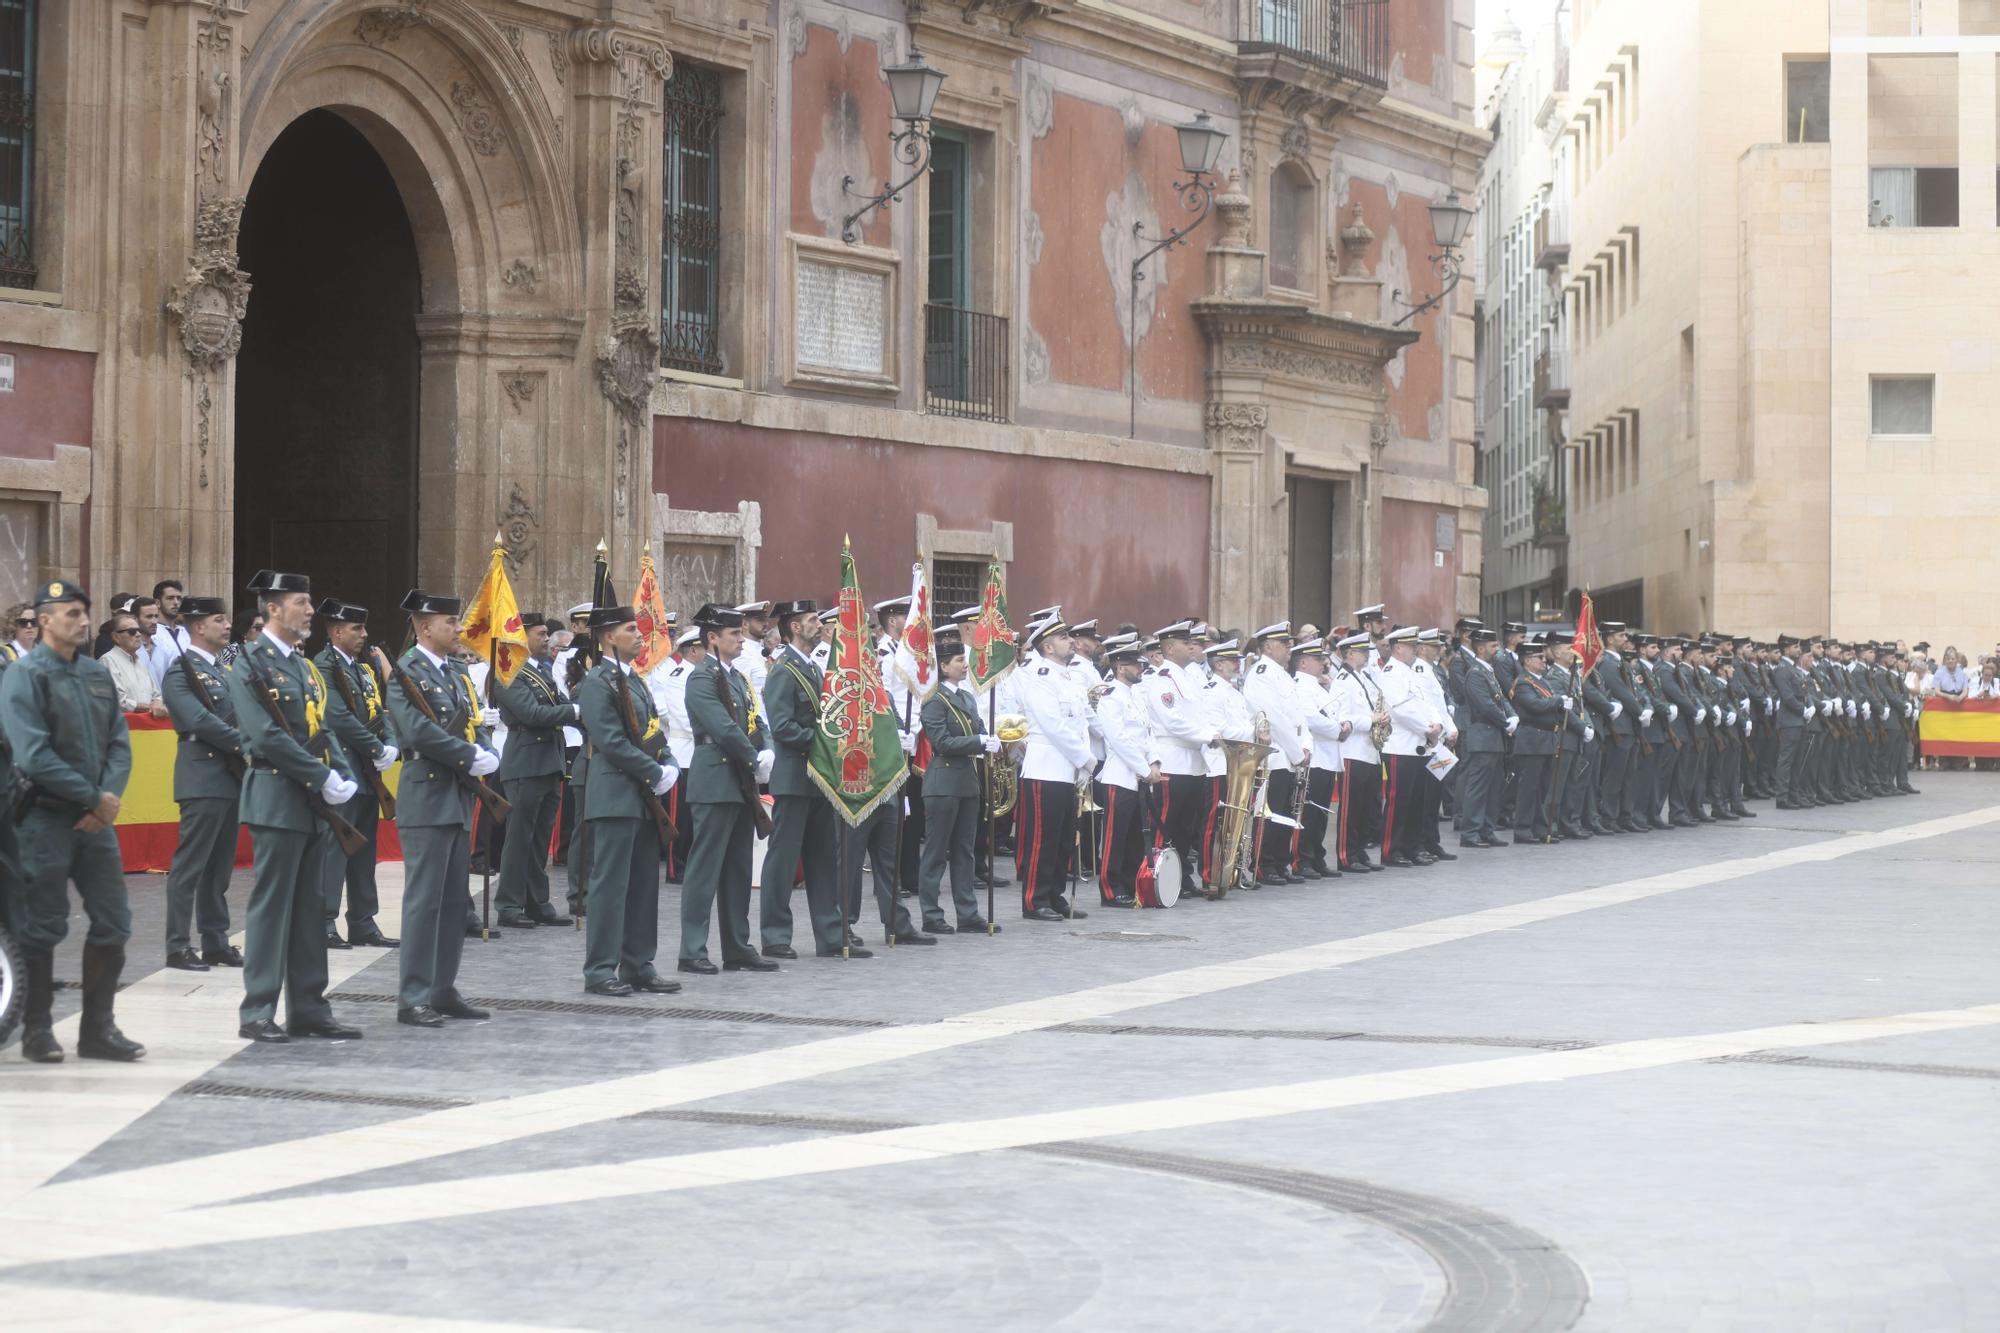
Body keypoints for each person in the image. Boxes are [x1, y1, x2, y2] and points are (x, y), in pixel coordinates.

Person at [0, 579, 144, 1063]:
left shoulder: (94, 674)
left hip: (94, 824)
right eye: (70, 614)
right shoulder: (25, 676)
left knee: (115, 921)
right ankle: (38, 1028)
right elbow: (33, 754)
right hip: (43, 818)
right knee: (41, 926)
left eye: (84, 613)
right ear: (43, 621)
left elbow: (119, 744)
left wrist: (108, 798)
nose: (83, 621)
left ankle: (97, 1029)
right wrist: (92, 798)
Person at [223, 570, 364, 1045]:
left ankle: (309, 1006)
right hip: (277, 797)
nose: (309, 611)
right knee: (271, 908)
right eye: (302, 602)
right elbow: (264, 736)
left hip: (311, 804)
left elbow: (320, 729)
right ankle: (258, 1008)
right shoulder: (249, 663)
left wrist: (341, 773)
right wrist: (319, 776)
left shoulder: (303, 668)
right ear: (273, 609)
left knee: (311, 908)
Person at [384, 589, 498, 1029]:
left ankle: (442, 988)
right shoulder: (406, 674)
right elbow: (416, 733)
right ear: (424, 625)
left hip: (457, 794)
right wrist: (468, 755)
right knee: (423, 902)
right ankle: (412, 996)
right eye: (449, 622)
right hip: (427, 793)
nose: (457, 629)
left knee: (455, 903)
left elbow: (471, 718)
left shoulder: (455, 672)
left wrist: (484, 748)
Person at [574, 602, 682, 995]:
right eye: (630, 630)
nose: (639, 636)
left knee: (642, 884)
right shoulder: (597, 682)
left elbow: (653, 729)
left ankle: (639, 964)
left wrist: (666, 761)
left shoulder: (635, 680)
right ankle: (601, 969)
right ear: (607, 638)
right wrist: (653, 771)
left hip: (642, 795)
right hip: (615, 792)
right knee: (609, 885)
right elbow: (610, 740)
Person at [679, 603, 776, 974]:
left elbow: (756, 717)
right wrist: (754, 759)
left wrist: (766, 749)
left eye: (740, 632)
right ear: (712, 638)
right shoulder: (702, 678)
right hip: (716, 778)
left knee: (738, 869)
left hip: (739, 781)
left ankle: (737, 946)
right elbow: (721, 727)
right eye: (733, 634)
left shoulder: (737, 678)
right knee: (705, 870)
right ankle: (692, 949)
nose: (740, 638)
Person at [757, 598, 855, 959]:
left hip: (818, 778)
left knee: (823, 859)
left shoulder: (812, 668)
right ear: (795, 627)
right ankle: (775, 935)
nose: (820, 625)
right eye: (813, 620)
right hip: (794, 775)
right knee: (783, 860)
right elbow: (782, 727)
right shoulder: (784, 670)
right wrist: (824, 742)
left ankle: (830, 935)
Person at [159, 595, 246, 971]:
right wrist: (246, 742)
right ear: (198, 627)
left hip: (229, 776)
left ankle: (215, 941)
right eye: (218, 619)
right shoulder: (181, 671)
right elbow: (197, 720)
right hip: (203, 773)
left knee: (219, 869)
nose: (226, 625)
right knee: (190, 867)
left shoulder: (226, 672)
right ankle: (178, 945)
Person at [312, 599, 400, 950]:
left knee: (364, 851)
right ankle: (325, 920)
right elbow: (337, 717)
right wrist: (377, 749)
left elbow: (380, 711)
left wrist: (390, 742)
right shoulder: (323, 665)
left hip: (367, 773)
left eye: (363, 628)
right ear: (336, 631)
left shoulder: (362, 669)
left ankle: (363, 921)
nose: (364, 635)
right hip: (344, 768)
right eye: (356, 629)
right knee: (336, 849)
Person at [496, 612, 578, 930]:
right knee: (519, 838)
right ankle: (509, 904)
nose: (546, 638)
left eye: (546, 633)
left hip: (548, 761)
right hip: (526, 763)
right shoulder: (510, 673)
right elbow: (530, 713)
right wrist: (571, 711)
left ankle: (537, 901)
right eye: (540, 633)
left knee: (539, 839)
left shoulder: (540, 671)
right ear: (521, 638)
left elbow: (553, 706)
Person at [1013, 612, 1097, 920]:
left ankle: (1055, 893)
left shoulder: (1070, 678)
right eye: (1063, 638)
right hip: (1045, 767)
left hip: (1068, 769)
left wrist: (1083, 762)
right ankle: (1035, 899)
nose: (1071, 641)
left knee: (1064, 837)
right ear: (1047, 647)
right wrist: (1084, 758)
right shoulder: (1041, 679)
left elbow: (1081, 724)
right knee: (1043, 838)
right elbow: (1054, 726)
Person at [918, 637, 1003, 928]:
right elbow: (941, 742)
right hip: (943, 783)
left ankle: (967, 913)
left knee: (965, 850)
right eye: (957, 661)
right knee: (936, 852)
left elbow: (979, 729)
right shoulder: (933, 699)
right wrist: (977, 741)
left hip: (968, 782)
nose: (964, 665)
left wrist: (990, 740)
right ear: (943, 666)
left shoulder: (967, 698)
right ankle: (931, 915)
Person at [1086, 638, 1155, 908]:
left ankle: (1130, 883)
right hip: (1120, 775)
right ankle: (1110, 888)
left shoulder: (1136, 697)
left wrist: (1155, 762)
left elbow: (1149, 734)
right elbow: (1118, 739)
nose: (1140, 669)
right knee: (1116, 836)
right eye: (1134, 665)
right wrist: (1143, 767)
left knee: (1137, 835)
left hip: (1141, 775)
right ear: (1119, 667)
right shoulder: (1111, 697)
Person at [1241, 622, 1308, 886]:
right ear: (1268, 646)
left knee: (1286, 811)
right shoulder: (1261, 673)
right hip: (1275, 755)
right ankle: (1262, 863)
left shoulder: (1281, 674)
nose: (1290, 648)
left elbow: (1297, 715)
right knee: (1269, 812)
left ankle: (1280, 860)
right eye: (1285, 643)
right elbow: (1274, 718)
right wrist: (1296, 751)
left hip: (1289, 754)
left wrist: (1305, 745)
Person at [1456, 628, 1515, 848]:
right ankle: (1470, 832)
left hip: (1493, 737)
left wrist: (1513, 716)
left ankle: (1487, 829)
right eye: (1493, 646)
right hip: (1482, 736)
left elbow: (1501, 699)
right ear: (1481, 648)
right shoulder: (1475, 674)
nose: (1497, 649)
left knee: (1494, 786)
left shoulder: (1487, 671)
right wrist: (1505, 720)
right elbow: (1486, 705)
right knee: (1479, 787)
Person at [99, 611, 166, 716]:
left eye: (138, 630)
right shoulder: (108, 660)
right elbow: (119, 701)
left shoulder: (139, 662)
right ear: (116, 637)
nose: (138, 635)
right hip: (124, 728)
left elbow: (156, 694)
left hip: (147, 728)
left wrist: (157, 702)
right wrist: (150, 707)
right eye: (132, 631)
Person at [147, 579, 190, 685]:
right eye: (170, 598)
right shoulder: (151, 633)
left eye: (179, 598)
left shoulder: (186, 633)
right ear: (157, 602)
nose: (176, 602)